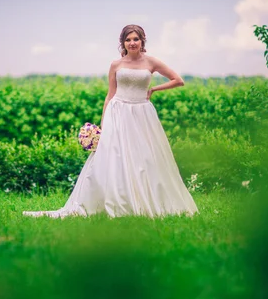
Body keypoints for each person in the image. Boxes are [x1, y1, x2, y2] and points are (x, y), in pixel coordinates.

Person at [23, 25, 198, 218]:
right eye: (128, 39)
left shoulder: (151, 62)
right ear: (123, 43)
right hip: (118, 112)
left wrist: (154, 89)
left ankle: (143, 200)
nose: (132, 43)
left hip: (142, 113)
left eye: (136, 39)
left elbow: (178, 80)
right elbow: (109, 95)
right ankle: (114, 201)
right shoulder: (116, 65)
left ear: (142, 41)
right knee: (115, 157)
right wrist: (103, 125)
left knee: (145, 157)